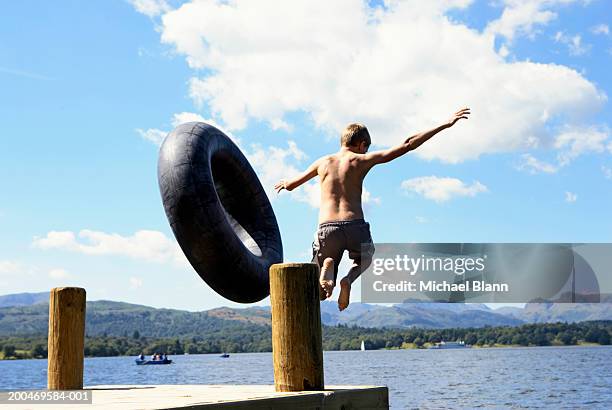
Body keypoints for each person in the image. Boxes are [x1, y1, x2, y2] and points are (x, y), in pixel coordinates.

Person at [274, 108, 470, 311]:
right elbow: (407, 144)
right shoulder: (361, 160)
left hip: (327, 228)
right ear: (362, 145)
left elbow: (291, 185)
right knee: (366, 257)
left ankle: (329, 265)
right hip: (354, 225)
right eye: (365, 149)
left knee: (320, 292)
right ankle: (348, 280)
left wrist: (286, 183)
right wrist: (444, 124)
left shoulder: (322, 162)